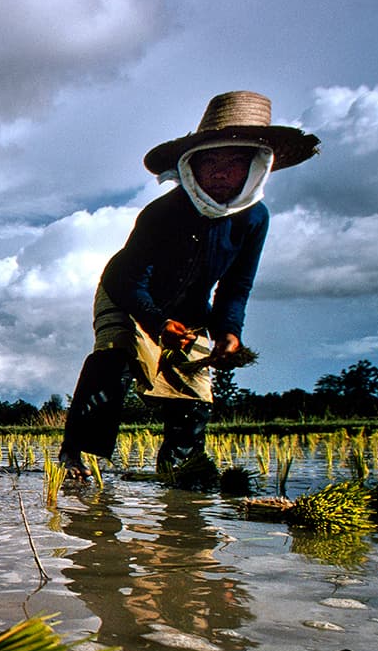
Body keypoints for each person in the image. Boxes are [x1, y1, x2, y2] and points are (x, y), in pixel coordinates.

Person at [58, 91, 320, 481]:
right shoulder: (162, 213)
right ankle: (76, 456)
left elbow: (235, 286)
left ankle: (179, 470)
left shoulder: (254, 220)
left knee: (194, 395)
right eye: (209, 161)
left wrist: (229, 332)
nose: (219, 172)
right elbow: (130, 279)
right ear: (190, 167)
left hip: (189, 309)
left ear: (255, 168)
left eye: (234, 162)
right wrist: (157, 322)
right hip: (126, 294)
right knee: (114, 360)